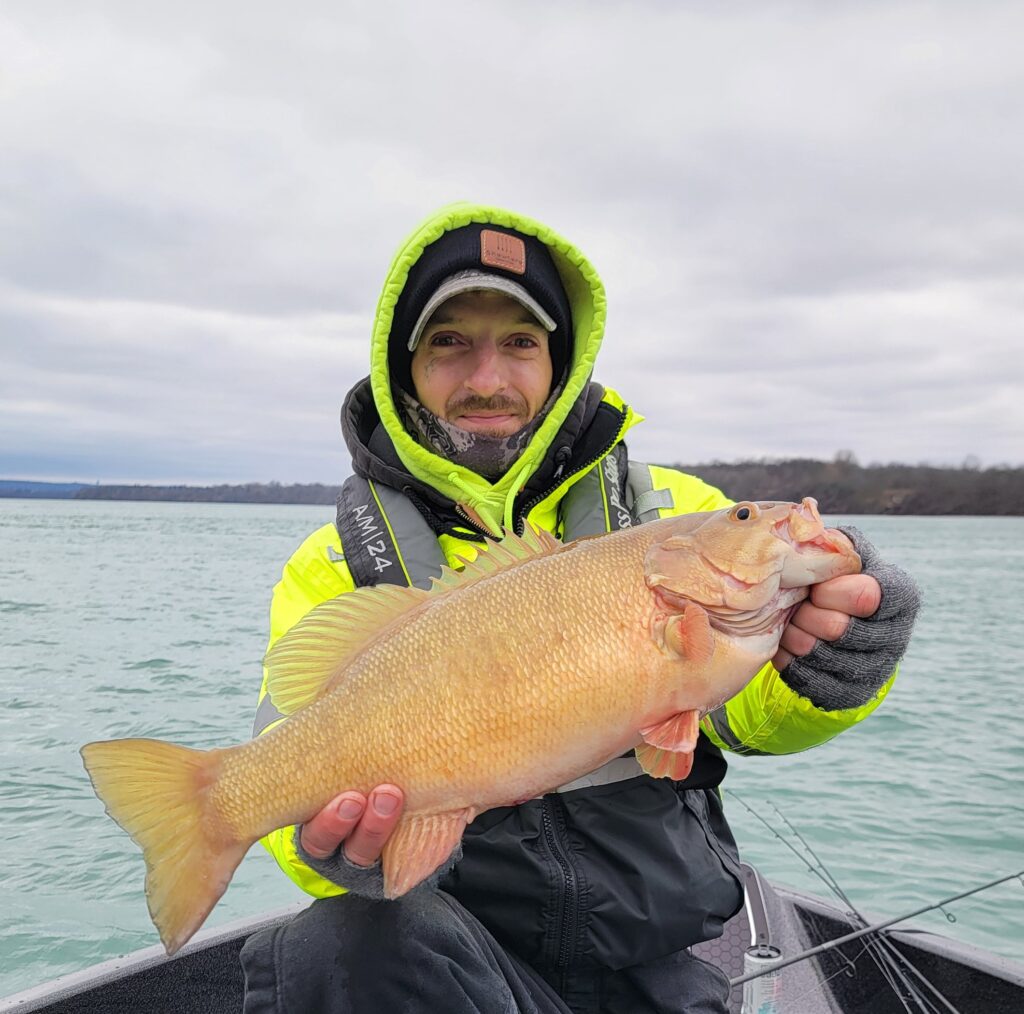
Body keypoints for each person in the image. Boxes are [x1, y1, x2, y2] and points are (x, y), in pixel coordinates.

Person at [240, 203, 920, 1014]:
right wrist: (335, 853)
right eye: (450, 341)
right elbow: (290, 766)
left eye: (521, 343)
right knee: (331, 947)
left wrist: (840, 664)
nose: (488, 378)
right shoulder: (332, 564)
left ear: (562, 362)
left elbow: (751, 716)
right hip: (453, 967)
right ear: (404, 366)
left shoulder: (677, 512)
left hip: (659, 962)